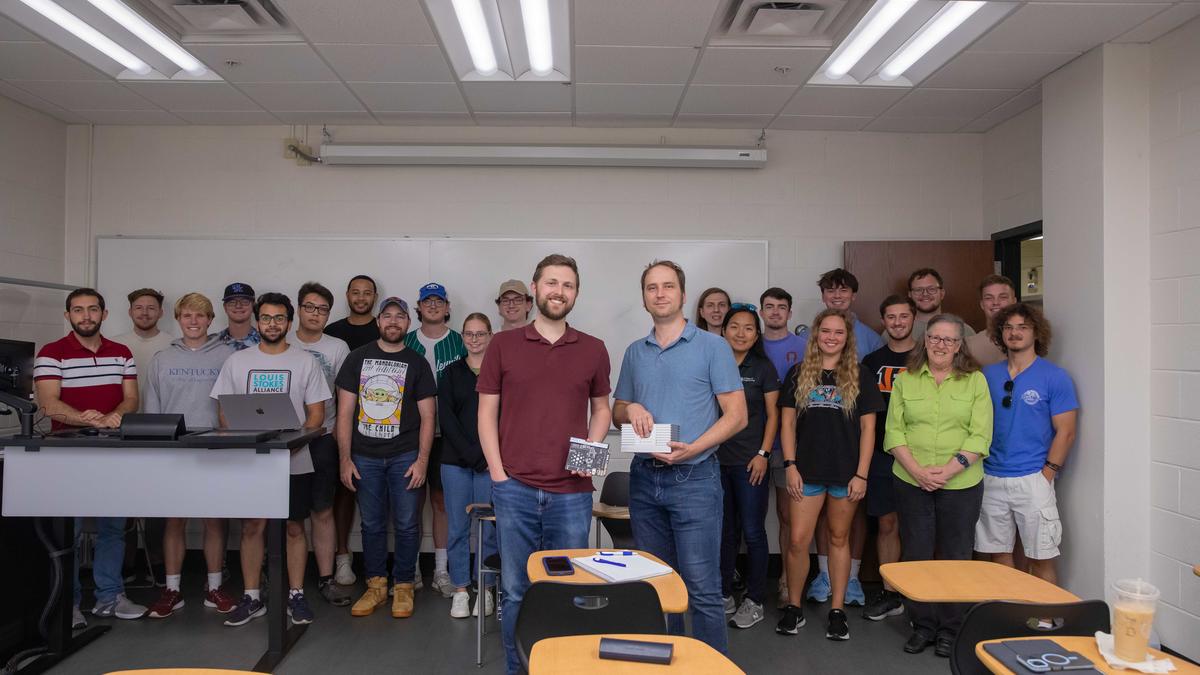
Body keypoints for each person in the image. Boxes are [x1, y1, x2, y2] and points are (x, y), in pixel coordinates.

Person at [477, 254, 612, 675]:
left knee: (565, 590)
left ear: (576, 294)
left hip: (571, 496)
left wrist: (589, 453)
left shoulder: (593, 348)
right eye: (551, 282)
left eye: (568, 285)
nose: (559, 291)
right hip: (514, 488)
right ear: (535, 289)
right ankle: (518, 670)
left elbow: (602, 410)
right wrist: (499, 476)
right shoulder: (503, 345)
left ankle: (561, 668)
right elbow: (486, 414)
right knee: (517, 590)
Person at [613, 260, 747, 654]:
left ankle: (708, 664)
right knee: (657, 585)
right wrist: (631, 409)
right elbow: (618, 409)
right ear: (644, 298)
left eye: (668, 286)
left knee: (703, 588)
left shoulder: (713, 346)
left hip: (695, 480)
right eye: (652, 287)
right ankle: (667, 660)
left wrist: (696, 446)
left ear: (683, 295)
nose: (660, 294)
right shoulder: (635, 352)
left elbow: (737, 415)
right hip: (643, 479)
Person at [211, 292, 330, 627]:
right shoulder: (237, 362)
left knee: (294, 527)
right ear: (257, 321)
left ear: (289, 323)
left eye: (279, 318)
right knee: (253, 526)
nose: (273, 323)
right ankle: (251, 596)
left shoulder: (305, 361)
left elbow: (317, 414)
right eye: (266, 317)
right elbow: (224, 413)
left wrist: (291, 443)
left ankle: (296, 594)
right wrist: (251, 441)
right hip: (251, 460)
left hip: (295, 459)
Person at [34, 288, 144, 627]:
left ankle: (109, 597)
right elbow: (48, 403)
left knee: (113, 527)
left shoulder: (121, 352)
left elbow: (131, 399)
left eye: (93, 309)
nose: (86, 316)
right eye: (78, 310)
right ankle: (69, 603)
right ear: (68, 316)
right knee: (72, 529)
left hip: (112, 451)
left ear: (104, 314)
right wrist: (88, 418)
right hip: (68, 454)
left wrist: (115, 417)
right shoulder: (52, 353)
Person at [884, 314, 991, 657]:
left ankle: (950, 629)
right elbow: (894, 431)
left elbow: (981, 435)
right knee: (917, 554)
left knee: (955, 556)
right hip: (911, 480)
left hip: (961, 482)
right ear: (924, 341)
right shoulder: (906, 380)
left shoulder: (975, 381)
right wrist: (917, 470)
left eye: (949, 340)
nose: (941, 345)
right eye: (934, 338)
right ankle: (923, 625)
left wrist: (946, 471)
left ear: (960, 345)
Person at [776, 309, 883, 641]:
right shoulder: (798, 373)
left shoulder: (860, 375)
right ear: (817, 335)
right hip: (805, 471)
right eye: (826, 331)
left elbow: (869, 429)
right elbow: (788, 423)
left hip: (845, 473)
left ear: (847, 338)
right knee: (797, 540)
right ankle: (794, 608)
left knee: (839, 539)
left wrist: (862, 475)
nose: (832, 337)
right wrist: (790, 465)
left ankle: (837, 611)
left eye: (839, 332)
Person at [335, 296, 437, 620]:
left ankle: (404, 585)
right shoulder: (356, 359)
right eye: (388, 316)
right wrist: (345, 459)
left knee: (407, 525)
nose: (393, 322)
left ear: (409, 323)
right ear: (378, 322)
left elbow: (428, 417)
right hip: (364, 457)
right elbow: (345, 413)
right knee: (372, 524)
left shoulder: (418, 363)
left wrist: (422, 461)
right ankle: (376, 585)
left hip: (405, 456)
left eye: (400, 317)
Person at [143, 292, 238, 618]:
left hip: (214, 449)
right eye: (187, 316)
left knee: (214, 519)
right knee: (175, 520)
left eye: (200, 316)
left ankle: (214, 587)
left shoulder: (228, 357)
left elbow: (234, 407)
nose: (193, 322)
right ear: (178, 319)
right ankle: (172, 590)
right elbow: (152, 410)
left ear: (211, 320)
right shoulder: (162, 359)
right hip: (174, 450)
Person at [975, 303, 1078, 584]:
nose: (1014, 333)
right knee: (998, 557)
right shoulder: (987, 375)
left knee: (1041, 557)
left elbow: (1066, 432)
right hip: (991, 477)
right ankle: (1009, 617)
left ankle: (1046, 621)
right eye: (1008, 327)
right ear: (999, 334)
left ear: (1036, 333)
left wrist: (1047, 475)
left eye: (1023, 327)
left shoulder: (1054, 377)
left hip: (1033, 478)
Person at [801, 268, 883, 606]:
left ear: (853, 295)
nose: (837, 296)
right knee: (821, 516)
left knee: (853, 516)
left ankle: (851, 579)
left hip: (853, 444)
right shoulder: (814, 334)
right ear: (823, 296)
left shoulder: (869, 339)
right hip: (820, 445)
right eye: (831, 291)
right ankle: (824, 575)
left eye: (844, 291)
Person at [717, 304, 780, 630]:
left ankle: (755, 599)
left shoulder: (763, 368)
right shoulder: (713, 363)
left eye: (748, 328)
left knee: (753, 531)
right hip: (716, 462)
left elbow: (774, 416)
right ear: (724, 330)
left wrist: (763, 454)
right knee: (725, 532)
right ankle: (724, 593)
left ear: (756, 335)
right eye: (734, 327)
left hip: (750, 462)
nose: (740, 333)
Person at [404, 282, 467, 595]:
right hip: (408, 436)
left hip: (449, 436)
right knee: (411, 503)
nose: (432, 306)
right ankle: (410, 568)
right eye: (426, 301)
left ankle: (441, 570)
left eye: (438, 301)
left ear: (447, 307)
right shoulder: (404, 343)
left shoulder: (460, 342)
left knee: (442, 503)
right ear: (418, 307)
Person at [292, 282, 353, 608]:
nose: (315, 314)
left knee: (323, 510)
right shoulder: (281, 342)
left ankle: (326, 578)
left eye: (322, 309)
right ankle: (291, 583)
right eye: (309, 307)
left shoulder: (337, 347)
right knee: (290, 517)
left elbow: (345, 399)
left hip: (323, 437)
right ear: (298, 309)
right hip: (283, 442)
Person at [859, 295, 917, 622]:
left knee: (922, 528)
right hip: (883, 455)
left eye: (903, 316)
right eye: (891, 317)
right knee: (887, 523)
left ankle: (925, 594)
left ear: (913, 319)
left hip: (923, 456)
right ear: (884, 321)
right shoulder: (872, 361)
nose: (897, 322)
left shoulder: (926, 357)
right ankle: (890, 593)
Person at [438, 313, 498, 619]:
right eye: (469, 334)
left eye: (480, 334)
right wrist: (470, 452)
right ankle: (461, 589)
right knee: (459, 528)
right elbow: (446, 419)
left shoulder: (500, 373)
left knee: (488, 529)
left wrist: (484, 454)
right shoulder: (450, 373)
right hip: (455, 462)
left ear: (490, 336)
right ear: (462, 337)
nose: (475, 340)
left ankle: (485, 589)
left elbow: (505, 418)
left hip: (490, 462)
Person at [323, 274, 380, 586]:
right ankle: (342, 557)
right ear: (347, 295)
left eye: (367, 293)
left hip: (381, 428)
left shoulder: (384, 327)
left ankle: (384, 568)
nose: (360, 298)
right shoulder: (333, 333)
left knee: (379, 498)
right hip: (342, 424)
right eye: (355, 292)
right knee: (343, 493)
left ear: (374, 296)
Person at [759, 287, 807, 608]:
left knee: (788, 516)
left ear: (790, 313)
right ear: (761, 311)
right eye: (769, 307)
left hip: (790, 446)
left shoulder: (804, 348)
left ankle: (787, 582)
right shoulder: (748, 342)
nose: (775, 312)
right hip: (753, 446)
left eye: (781, 307)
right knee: (748, 517)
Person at [113, 288, 174, 404]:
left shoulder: (173, 345)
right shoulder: (114, 345)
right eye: (138, 308)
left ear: (161, 313)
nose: (144, 313)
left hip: (162, 418)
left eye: (151, 308)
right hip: (122, 418)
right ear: (130, 312)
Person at [895, 268, 976, 342]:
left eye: (931, 289)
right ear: (910, 295)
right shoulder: (895, 330)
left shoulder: (964, 330)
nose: (925, 294)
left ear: (942, 294)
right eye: (918, 290)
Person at [965, 275, 1018, 367]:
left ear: (1014, 301)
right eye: (989, 298)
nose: (996, 302)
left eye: (1003, 297)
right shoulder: (969, 345)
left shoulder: (1028, 340)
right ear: (982, 304)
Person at [217, 282, 261, 351]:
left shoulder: (264, 342)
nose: (238, 306)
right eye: (232, 302)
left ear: (253, 306)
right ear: (225, 307)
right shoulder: (214, 342)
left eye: (245, 301)